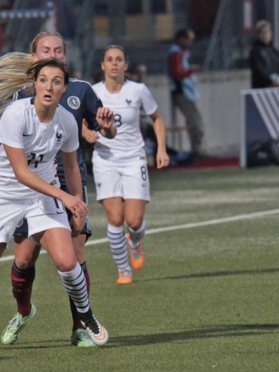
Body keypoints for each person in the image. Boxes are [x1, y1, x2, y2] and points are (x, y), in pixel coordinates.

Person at [0, 58, 109, 353]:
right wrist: (65, 197)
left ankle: (86, 316)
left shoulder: (66, 121)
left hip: (42, 195)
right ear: (34, 84)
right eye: (43, 80)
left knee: (67, 261)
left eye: (56, 81)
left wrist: (77, 205)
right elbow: (21, 173)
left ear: (65, 88)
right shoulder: (15, 115)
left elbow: (72, 166)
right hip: (2, 195)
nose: (49, 86)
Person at [87, 45, 169, 286]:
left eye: (119, 59)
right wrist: (86, 132)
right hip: (105, 160)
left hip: (134, 159)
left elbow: (157, 119)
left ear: (125, 65)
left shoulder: (138, 90)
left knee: (133, 221)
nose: (114, 63)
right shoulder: (93, 92)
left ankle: (134, 240)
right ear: (102, 65)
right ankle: (123, 270)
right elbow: (79, 119)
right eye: (109, 60)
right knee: (115, 217)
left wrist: (161, 149)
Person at [168, 28, 204, 158]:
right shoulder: (176, 54)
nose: (190, 43)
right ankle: (197, 150)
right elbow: (177, 73)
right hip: (182, 92)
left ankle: (196, 149)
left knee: (193, 121)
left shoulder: (181, 53)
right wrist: (191, 71)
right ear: (181, 39)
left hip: (186, 91)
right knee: (196, 122)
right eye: (189, 39)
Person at [249, 20, 279, 89]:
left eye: (267, 32)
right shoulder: (255, 52)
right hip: (262, 90)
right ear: (258, 35)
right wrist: (272, 80)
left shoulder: (274, 51)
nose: (265, 35)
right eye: (262, 33)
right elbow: (260, 71)